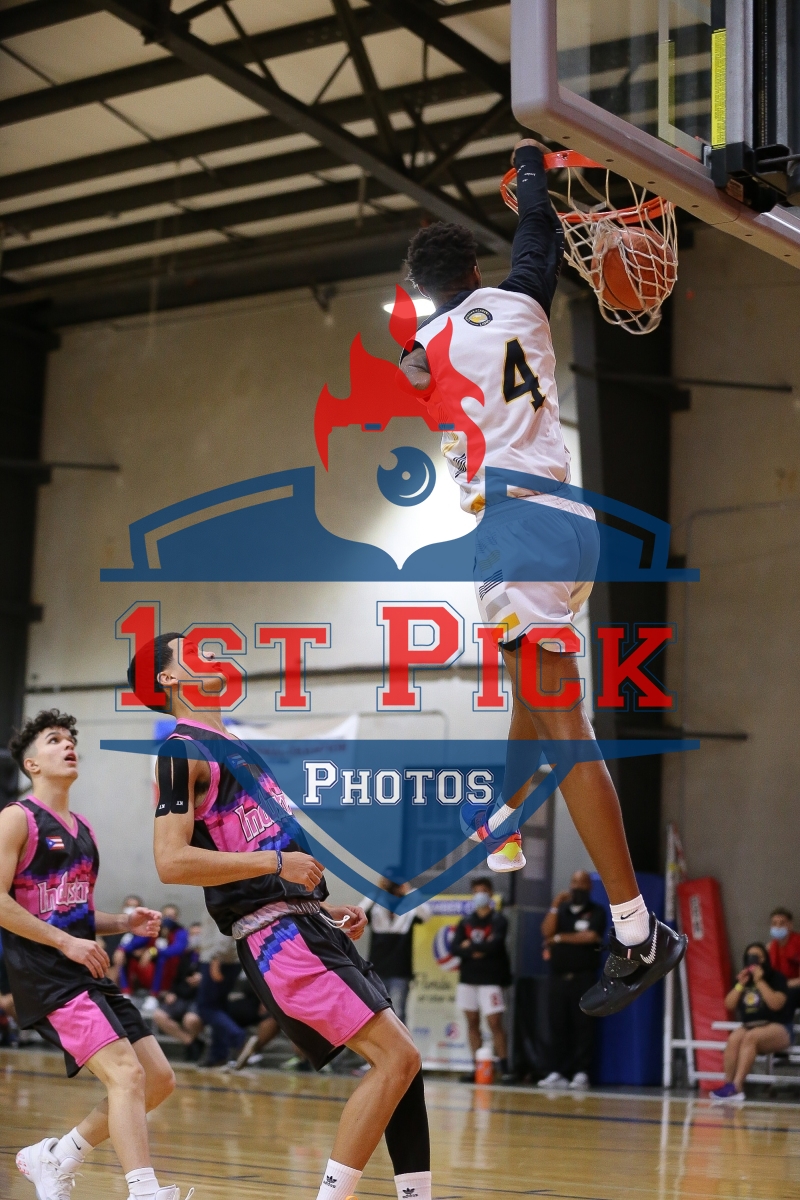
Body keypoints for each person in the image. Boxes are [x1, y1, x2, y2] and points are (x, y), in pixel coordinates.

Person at [398, 138, 686, 1018]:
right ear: (475, 270)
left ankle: (637, 929)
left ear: (426, 293)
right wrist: (530, 167)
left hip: (514, 532)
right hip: (570, 523)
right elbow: (537, 230)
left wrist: (422, 339)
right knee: (533, 694)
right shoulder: (524, 298)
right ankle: (500, 815)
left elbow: (417, 371)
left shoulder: (422, 349)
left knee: (564, 723)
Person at [129, 633, 433, 1200]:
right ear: (169, 678)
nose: (210, 653)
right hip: (277, 939)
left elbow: (260, 854)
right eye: (192, 651)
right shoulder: (180, 750)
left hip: (304, 922)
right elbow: (171, 861)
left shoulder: (235, 745)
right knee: (398, 1058)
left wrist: (318, 905)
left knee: (403, 1065)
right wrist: (277, 865)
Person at [1, 709, 191, 1200]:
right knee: (126, 1075)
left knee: (158, 1079)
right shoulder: (17, 819)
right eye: (53, 740)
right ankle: (144, 1191)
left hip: (84, 968)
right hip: (46, 973)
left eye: (70, 738)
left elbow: (77, 914)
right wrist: (65, 942)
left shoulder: (83, 829)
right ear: (31, 763)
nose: (68, 745)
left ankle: (57, 1157)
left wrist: (123, 923)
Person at [538, 870, 605, 1089]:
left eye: (582, 883)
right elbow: (546, 931)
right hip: (558, 978)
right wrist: (555, 905)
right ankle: (557, 1071)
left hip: (584, 978)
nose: (577, 887)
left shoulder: (596, 911)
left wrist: (559, 937)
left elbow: (591, 936)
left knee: (583, 1026)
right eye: (574, 882)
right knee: (557, 1024)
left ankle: (581, 1072)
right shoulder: (562, 910)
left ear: (589, 886)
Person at [710, 943, 794, 1104]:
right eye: (750, 957)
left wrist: (760, 981)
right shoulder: (744, 980)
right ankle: (728, 1085)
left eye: (758, 957)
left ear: (765, 959)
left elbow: (777, 1004)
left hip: (779, 1027)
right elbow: (729, 1004)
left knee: (751, 1037)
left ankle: (737, 1087)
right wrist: (740, 984)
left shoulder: (776, 978)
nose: (754, 961)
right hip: (751, 1025)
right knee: (734, 1038)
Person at [452, 877, 513, 1083]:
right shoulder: (466, 921)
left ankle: (504, 1067)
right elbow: (455, 947)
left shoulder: (498, 920)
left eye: (483, 891)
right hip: (468, 978)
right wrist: (478, 949)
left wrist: (470, 947)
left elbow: (495, 946)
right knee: (472, 1022)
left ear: (490, 893)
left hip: (490, 979)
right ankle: (476, 1067)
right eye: (476, 891)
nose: (480, 895)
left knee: (495, 1023)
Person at [360, 880, 431, 1024]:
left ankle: (399, 1040)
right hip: (376, 970)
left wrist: (409, 891)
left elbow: (426, 915)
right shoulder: (377, 908)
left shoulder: (409, 909)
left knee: (398, 1013)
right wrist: (377, 891)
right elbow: (359, 911)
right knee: (375, 1012)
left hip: (400, 971)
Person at [150, 921, 204, 1060]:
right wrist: (171, 993)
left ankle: (193, 1046)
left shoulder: (210, 958)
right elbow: (176, 979)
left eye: (199, 934)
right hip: (181, 996)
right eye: (193, 934)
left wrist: (203, 979)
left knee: (190, 1020)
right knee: (159, 1015)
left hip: (200, 997)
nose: (196, 938)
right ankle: (190, 1042)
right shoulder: (184, 956)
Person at [767, 907, 800, 988]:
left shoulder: (798, 943)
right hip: (778, 986)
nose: (778, 927)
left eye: (782, 923)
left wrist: (783, 985)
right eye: (774, 923)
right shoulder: (770, 947)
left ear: (790, 925)